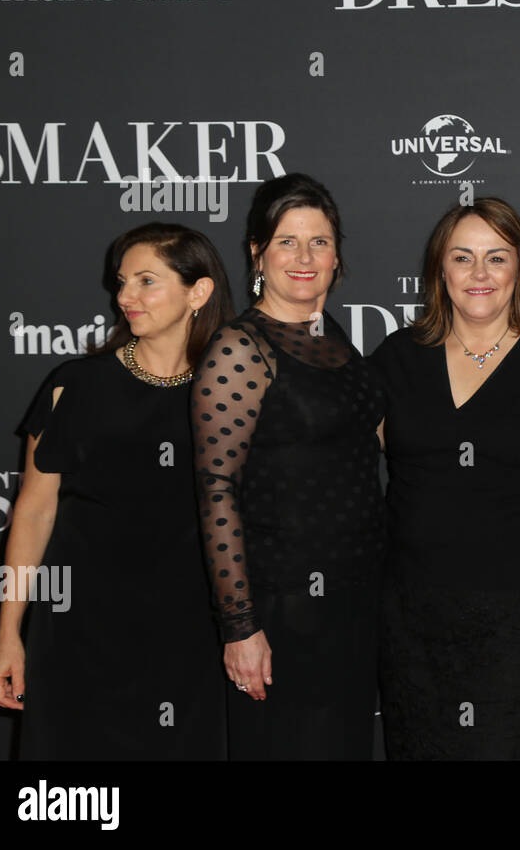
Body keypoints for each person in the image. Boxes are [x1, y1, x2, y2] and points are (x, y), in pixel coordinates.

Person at [0, 222, 231, 759]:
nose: (125, 297)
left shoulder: (233, 392)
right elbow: (32, 513)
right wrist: (9, 635)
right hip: (80, 634)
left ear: (199, 291)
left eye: (146, 281)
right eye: (122, 282)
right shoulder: (75, 385)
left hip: (190, 637)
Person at [192, 173, 386, 760]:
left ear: (337, 256)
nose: (305, 258)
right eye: (286, 242)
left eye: (319, 242)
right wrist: (241, 627)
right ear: (257, 252)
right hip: (282, 612)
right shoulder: (239, 348)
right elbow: (216, 489)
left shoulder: (337, 342)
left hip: (355, 606)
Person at [371, 198, 520, 760]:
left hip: (513, 621)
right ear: (440, 270)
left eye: (496, 258)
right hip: (411, 620)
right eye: (463, 257)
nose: (479, 275)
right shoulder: (397, 358)